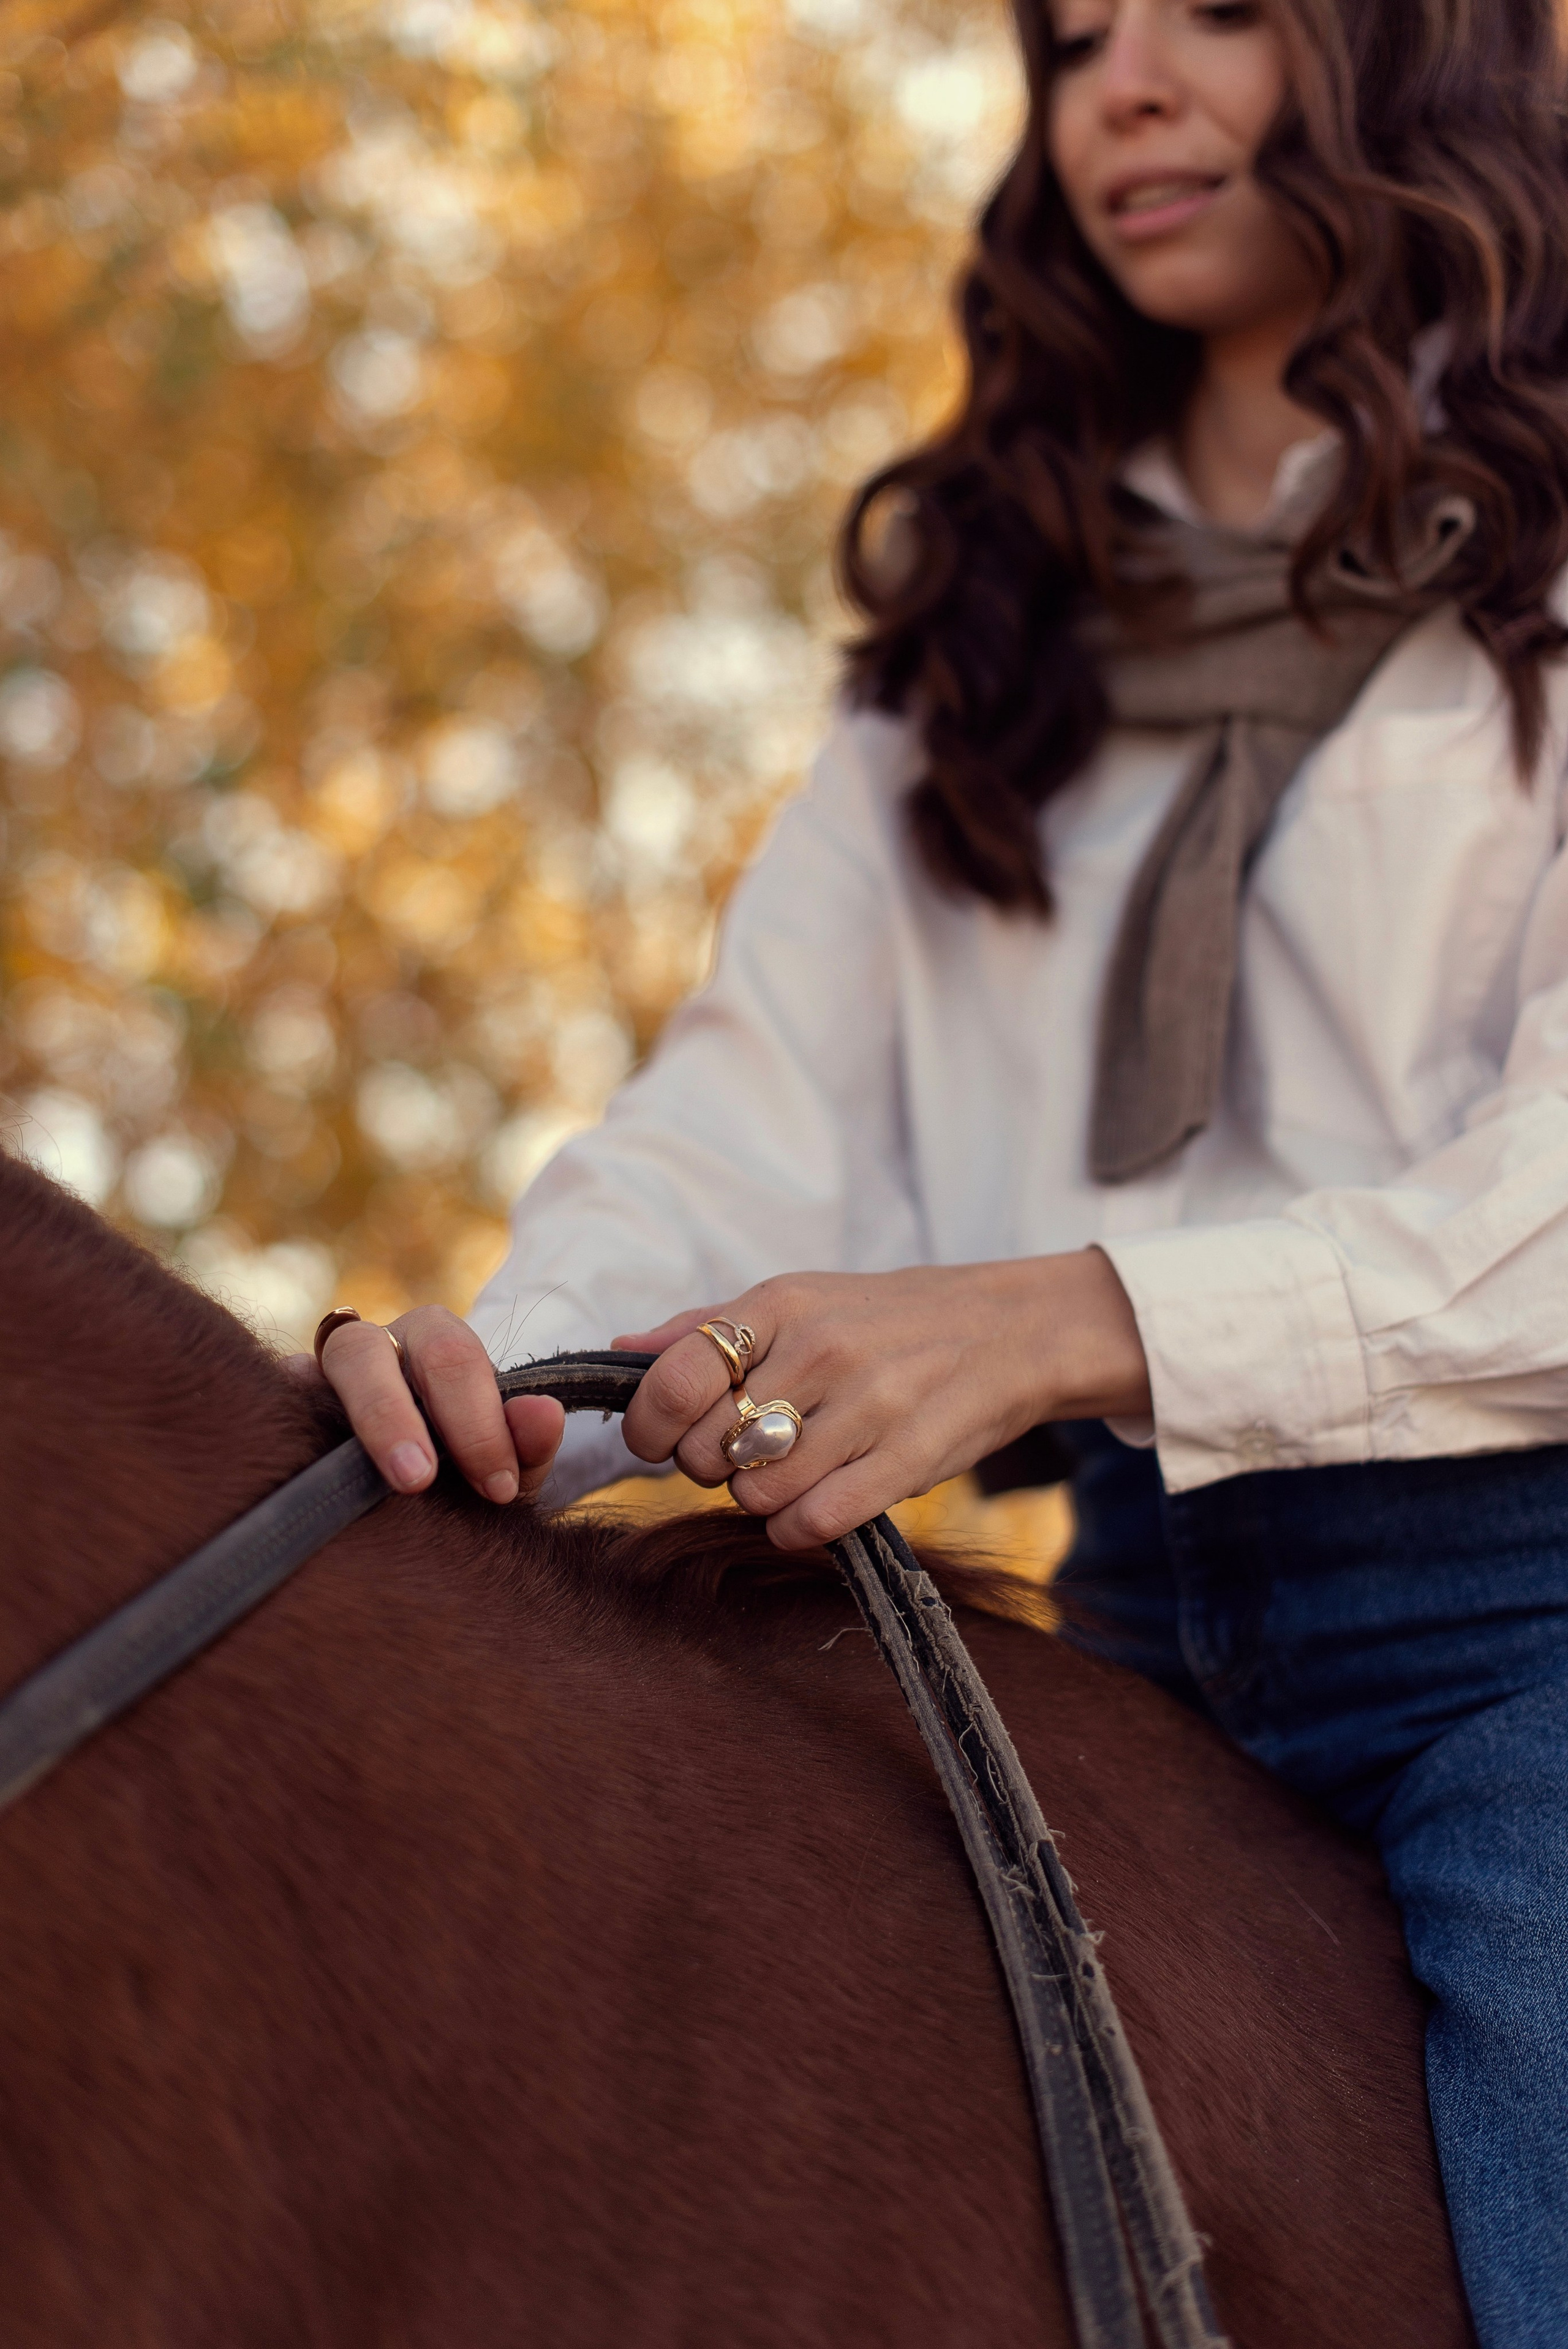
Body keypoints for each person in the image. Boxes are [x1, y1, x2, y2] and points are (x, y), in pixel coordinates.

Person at [306, 0, 1568, 2338]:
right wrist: (517, 1387)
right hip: (1130, 1629)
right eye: (1074, 36)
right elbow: (760, 1111)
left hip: (1538, 1639)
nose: (1124, 87)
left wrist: (1074, 1316)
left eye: (1213, 15)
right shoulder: (983, 630)